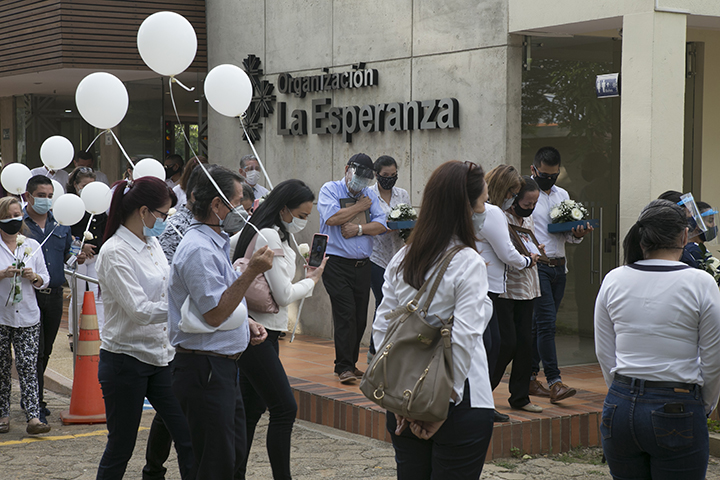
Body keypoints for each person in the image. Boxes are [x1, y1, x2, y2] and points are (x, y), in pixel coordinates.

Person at [373, 160, 494, 479]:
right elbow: (464, 338)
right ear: (464, 207)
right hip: (458, 402)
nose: (486, 209)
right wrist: (440, 406)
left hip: (404, 399)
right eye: (483, 201)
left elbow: (382, 330)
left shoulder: (402, 257)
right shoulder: (469, 262)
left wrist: (400, 400)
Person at [595, 199, 720, 480]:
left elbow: (605, 353)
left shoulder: (614, 279)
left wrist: (622, 392)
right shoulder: (701, 283)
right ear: (685, 236)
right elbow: (714, 358)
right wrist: (705, 404)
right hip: (678, 404)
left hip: (619, 404)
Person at [168, 165, 274, 478]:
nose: (243, 209)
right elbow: (214, 313)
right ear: (217, 205)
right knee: (216, 463)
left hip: (221, 368)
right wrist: (252, 271)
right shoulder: (198, 248)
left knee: (231, 457)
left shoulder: (214, 240)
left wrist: (245, 323)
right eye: (238, 201)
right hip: (205, 370)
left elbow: (224, 299)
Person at [94, 176, 194, 479]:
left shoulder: (151, 243)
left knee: (188, 437)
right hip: (125, 359)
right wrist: (188, 311)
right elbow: (139, 311)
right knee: (121, 446)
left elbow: (167, 287)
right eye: (163, 215)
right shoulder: (114, 252)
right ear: (144, 212)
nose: (165, 221)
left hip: (161, 356)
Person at [232, 179, 327, 480]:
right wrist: (313, 279)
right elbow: (284, 294)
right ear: (284, 208)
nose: (303, 221)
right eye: (301, 214)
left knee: (251, 410)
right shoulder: (269, 235)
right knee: (284, 408)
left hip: (259, 331)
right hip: (257, 334)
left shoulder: (272, 232)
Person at [144, 162, 207, 480]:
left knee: (180, 405)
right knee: (174, 405)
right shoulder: (177, 225)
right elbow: (168, 273)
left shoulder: (213, 228)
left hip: (205, 328)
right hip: (181, 326)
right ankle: (154, 468)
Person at [318, 153, 387, 384]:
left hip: (363, 264)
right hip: (336, 263)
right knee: (345, 313)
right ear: (348, 169)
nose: (360, 184)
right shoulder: (330, 189)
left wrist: (359, 229)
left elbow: (381, 224)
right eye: (357, 177)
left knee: (359, 317)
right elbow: (332, 218)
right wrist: (359, 207)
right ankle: (344, 366)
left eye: (366, 181)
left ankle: (350, 364)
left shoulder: (369, 194)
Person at [529, 147, 591, 403]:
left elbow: (566, 235)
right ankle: (555, 381)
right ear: (533, 170)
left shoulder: (562, 194)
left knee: (538, 327)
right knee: (547, 324)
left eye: (553, 175)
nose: (549, 179)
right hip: (538, 266)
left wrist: (576, 234)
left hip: (559, 266)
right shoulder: (525, 194)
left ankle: (530, 378)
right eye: (544, 174)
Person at [479, 165, 538, 422]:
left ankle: (511, 397)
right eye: (515, 194)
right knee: (499, 345)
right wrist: (526, 260)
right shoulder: (492, 213)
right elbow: (506, 253)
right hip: (497, 288)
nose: (515, 200)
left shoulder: (490, 212)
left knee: (520, 342)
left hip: (510, 286)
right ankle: (480, 400)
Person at [23, 175, 84, 423]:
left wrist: (78, 254)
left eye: (50, 196)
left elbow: (69, 252)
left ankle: (34, 398)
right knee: (33, 351)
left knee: (45, 350)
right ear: (28, 196)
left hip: (55, 295)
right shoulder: (20, 225)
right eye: (41, 196)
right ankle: (33, 403)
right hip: (27, 295)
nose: (46, 201)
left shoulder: (60, 224)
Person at [491, 176, 543, 413]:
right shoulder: (500, 217)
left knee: (525, 344)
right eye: (527, 202)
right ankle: (482, 394)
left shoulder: (528, 219)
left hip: (528, 287)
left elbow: (527, 244)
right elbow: (505, 252)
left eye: (534, 203)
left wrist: (535, 250)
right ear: (513, 198)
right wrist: (524, 257)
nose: (530, 207)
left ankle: (520, 397)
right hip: (506, 288)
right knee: (505, 344)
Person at [0, 196, 51, 435]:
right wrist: (3, 274)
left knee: (28, 365)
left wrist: (34, 277)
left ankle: (33, 417)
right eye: (8, 216)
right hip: (1, 315)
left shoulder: (31, 244)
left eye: (16, 214)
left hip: (28, 316)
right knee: (1, 367)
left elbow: (44, 279)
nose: (13, 219)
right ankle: (3, 414)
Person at [367, 155, 410, 360]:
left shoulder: (402, 194)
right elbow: (368, 223)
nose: (389, 179)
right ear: (376, 175)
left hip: (398, 255)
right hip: (376, 256)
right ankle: (375, 350)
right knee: (382, 300)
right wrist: (384, 226)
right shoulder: (368, 195)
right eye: (385, 175)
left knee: (396, 301)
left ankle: (388, 346)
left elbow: (408, 217)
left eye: (393, 175)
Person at [66, 167, 107, 342]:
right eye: (84, 185)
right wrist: (80, 246)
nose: (88, 189)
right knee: (79, 296)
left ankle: (101, 334)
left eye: (92, 184)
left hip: (96, 257)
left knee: (98, 295)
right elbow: (65, 232)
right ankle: (73, 333)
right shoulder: (70, 203)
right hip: (78, 257)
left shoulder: (99, 206)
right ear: (76, 185)